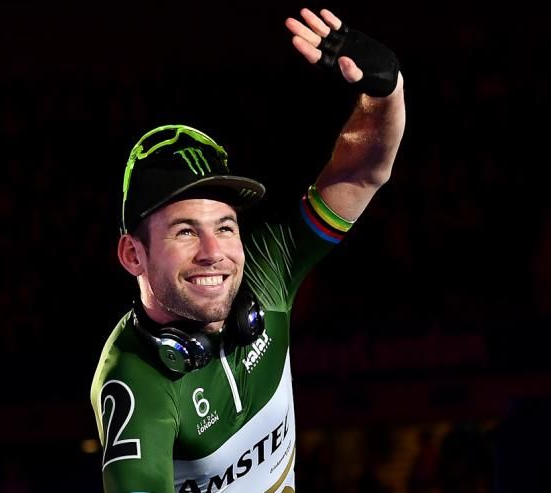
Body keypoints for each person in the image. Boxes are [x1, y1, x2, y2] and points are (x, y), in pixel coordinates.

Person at [90, 6, 406, 492]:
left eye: (226, 226)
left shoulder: (264, 272)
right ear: (134, 255)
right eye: (185, 232)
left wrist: (384, 91)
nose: (214, 252)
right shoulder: (136, 381)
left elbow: (361, 172)